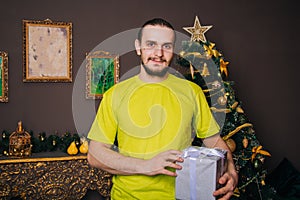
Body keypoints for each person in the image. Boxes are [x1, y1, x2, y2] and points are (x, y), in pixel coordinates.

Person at [87, 18, 238, 200]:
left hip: (181, 197)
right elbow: (95, 155)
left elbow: (214, 141)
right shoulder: (115, 95)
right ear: (138, 47)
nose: (158, 53)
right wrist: (146, 166)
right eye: (151, 44)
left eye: (166, 46)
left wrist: (231, 170)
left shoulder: (192, 91)